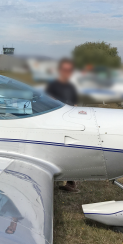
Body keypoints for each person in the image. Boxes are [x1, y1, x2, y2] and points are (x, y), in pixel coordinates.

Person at [46, 58, 80, 193]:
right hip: (56, 123)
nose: (68, 72)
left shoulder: (71, 87)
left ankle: (71, 183)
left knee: (70, 152)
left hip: (69, 122)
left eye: (70, 70)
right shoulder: (53, 85)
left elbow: (75, 104)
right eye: (65, 70)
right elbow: (48, 103)